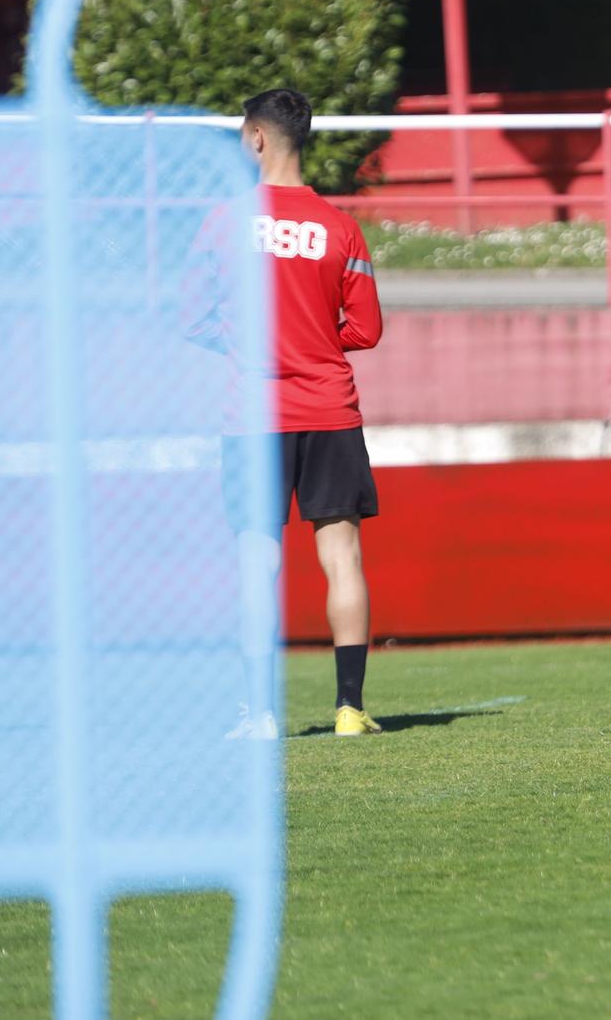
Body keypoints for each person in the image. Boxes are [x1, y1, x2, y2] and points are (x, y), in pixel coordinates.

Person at [183, 88, 385, 738]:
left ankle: (261, 714)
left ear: (257, 139)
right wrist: (321, 341)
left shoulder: (222, 221)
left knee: (255, 561)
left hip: (253, 417)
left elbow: (190, 319)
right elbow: (369, 329)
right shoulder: (340, 226)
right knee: (343, 558)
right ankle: (350, 710)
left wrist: (247, 343)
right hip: (329, 408)